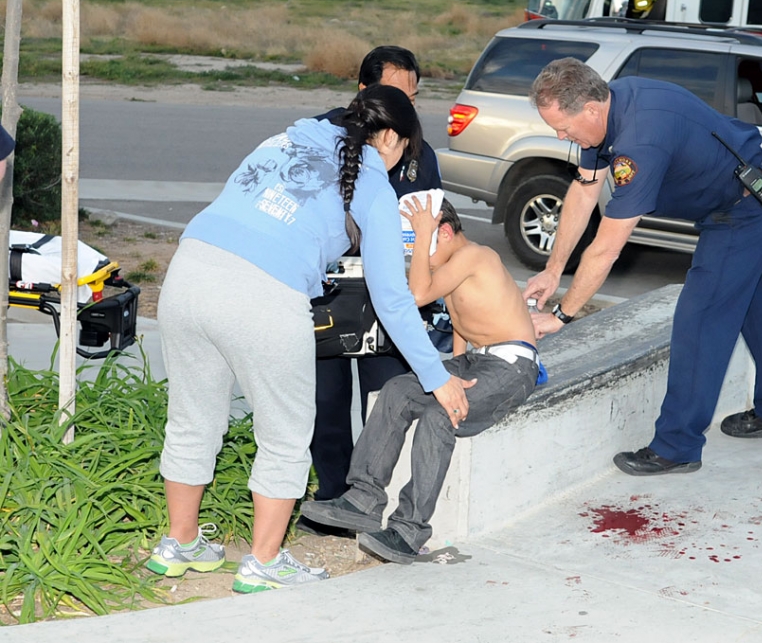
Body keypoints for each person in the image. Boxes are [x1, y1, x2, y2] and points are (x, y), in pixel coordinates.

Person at [147, 85, 474, 593]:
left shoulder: (282, 139)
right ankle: (264, 560)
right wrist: (438, 378)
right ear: (389, 136)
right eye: (401, 153)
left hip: (188, 274)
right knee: (285, 435)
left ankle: (179, 544)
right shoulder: (372, 185)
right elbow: (392, 299)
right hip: (262, 296)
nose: (396, 166)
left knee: (192, 419)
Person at [523, 57, 762, 476]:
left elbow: (606, 249)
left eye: (563, 129)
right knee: (758, 309)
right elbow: (584, 192)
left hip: (745, 208)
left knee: (699, 319)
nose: (562, 137)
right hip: (752, 193)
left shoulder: (640, 141)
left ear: (590, 109)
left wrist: (562, 314)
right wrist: (552, 270)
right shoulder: (611, 103)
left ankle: (677, 445)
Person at [300, 198, 540, 564]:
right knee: (397, 390)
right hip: (474, 362)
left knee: (439, 417)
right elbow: (461, 325)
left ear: (444, 232)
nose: (414, 256)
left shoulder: (476, 255)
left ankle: (409, 529)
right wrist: (453, 370)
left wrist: (424, 229)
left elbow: (415, 296)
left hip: (512, 366)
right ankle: (363, 498)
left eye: (418, 244)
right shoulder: (455, 266)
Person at [301, 47, 445, 534]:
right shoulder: (323, 136)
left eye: (414, 96)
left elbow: (433, 218)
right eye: (398, 95)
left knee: (386, 398)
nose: (408, 106)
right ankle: (332, 498)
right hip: (330, 294)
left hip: (391, 300)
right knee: (327, 401)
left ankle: (371, 497)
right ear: (364, 93)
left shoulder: (418, 150)